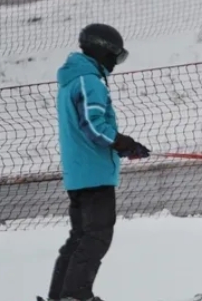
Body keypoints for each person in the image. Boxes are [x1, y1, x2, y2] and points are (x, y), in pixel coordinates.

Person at [39, 23, 150, 301]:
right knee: (96, 237)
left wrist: (126, 149)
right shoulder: (89, 81)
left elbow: (87, 130)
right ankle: (76, 296)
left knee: (79, 238)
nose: (115, 62)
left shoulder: (74, 79)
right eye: (115, 55)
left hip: (81, 173)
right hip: (93, 175)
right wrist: (123, 141)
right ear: (103, 50)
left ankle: (61, 296)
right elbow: (93, 125)